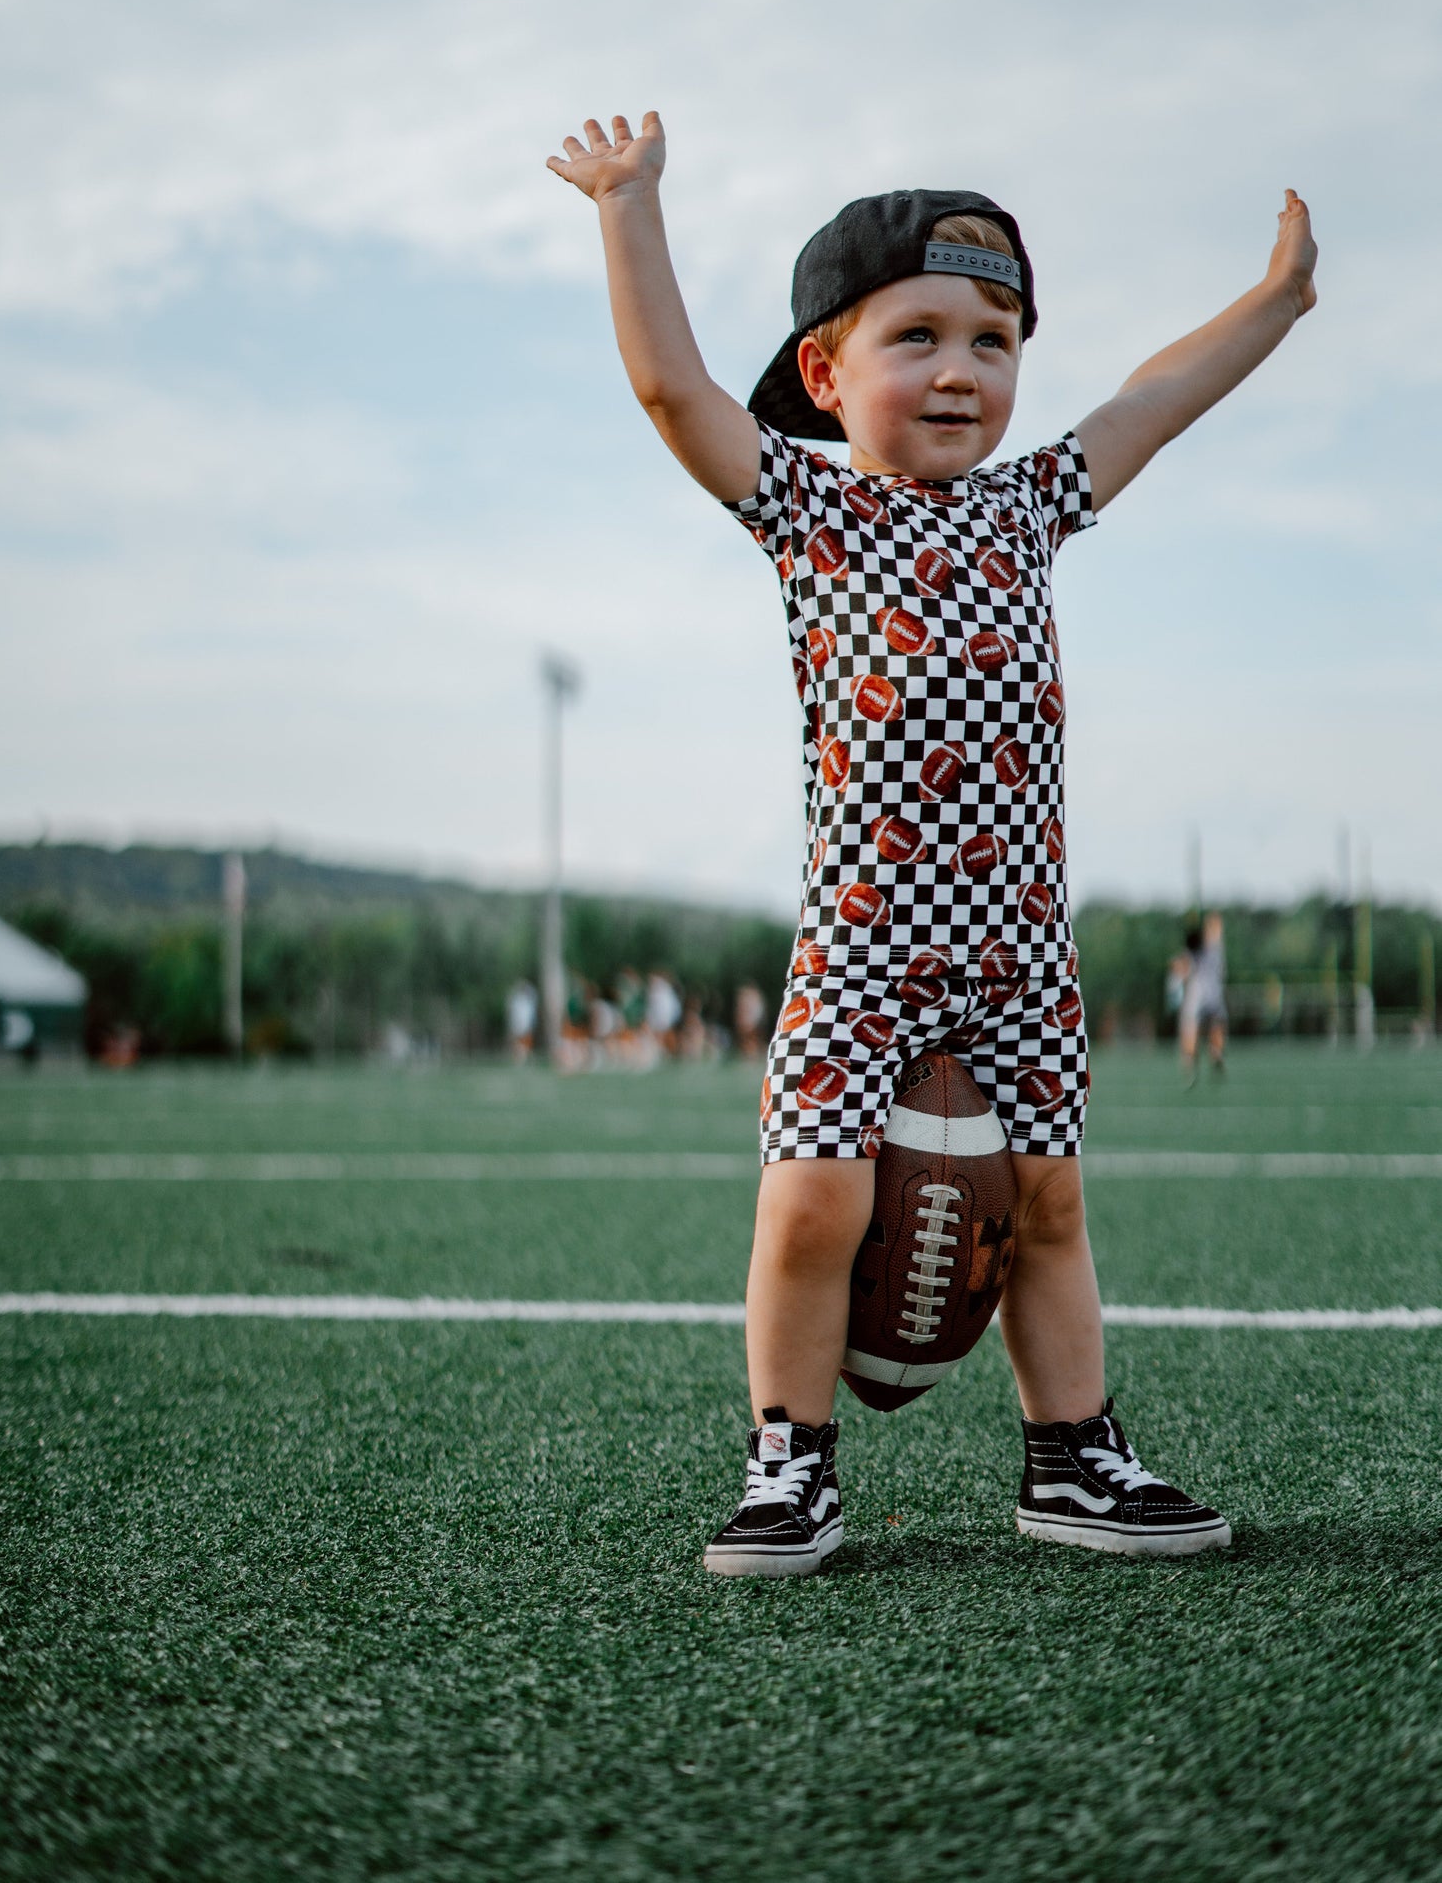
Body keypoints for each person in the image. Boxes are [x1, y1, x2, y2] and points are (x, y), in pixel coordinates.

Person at [548, 113, 1316, 1573]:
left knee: (1048, 1200)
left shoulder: (1031, 509)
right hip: (863, 941)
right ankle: (789, 1464)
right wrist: (628, 208)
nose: (963, 370)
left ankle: (1071, 1460)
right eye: (918, 337)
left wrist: (1272, 304)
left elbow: (1155, 396)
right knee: (811, 1202)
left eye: (996, 339)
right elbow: (668, 386)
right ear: (827, 376)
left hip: (1021, 947)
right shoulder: (808, 510)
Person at [1179, 911, 1228, 1083]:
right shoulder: (1215, 948)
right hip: (1214, 992)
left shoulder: (1197, 950)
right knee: (1217, 1025)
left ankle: (1190, 1061)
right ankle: (1216, 1051)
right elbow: (1214, 930)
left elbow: (1183, 968)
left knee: (1190, 1027)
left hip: (1198, 994)